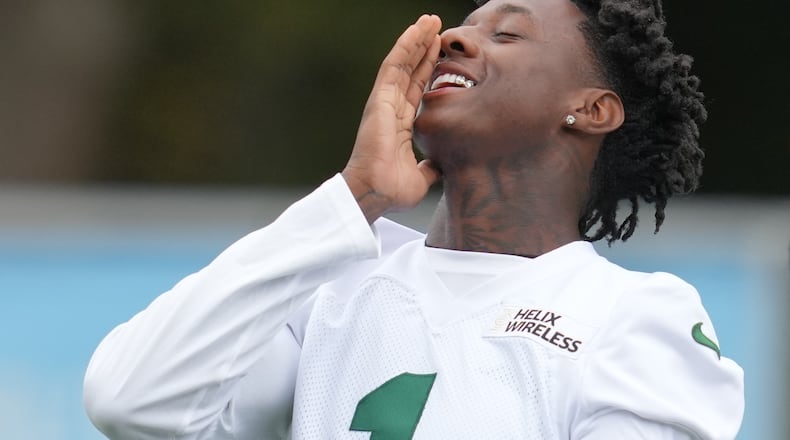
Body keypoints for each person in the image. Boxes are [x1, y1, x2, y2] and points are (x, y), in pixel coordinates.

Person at [83, 0, 744, 438]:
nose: (455, 37)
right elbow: (133, 401)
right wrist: (356, 195)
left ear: (592, 109)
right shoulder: (329, 285)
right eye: (465, 25)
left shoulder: (633, 316)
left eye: (507, 33)